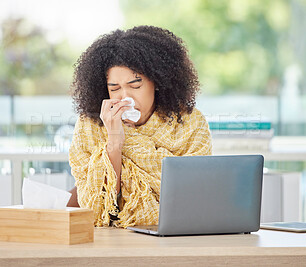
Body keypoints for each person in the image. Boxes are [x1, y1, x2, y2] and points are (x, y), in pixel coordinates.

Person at [68, 25, 212, 227]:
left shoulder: (191, 124)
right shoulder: (89, 127)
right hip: (110, 240)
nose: (125, 97)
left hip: (176, 236)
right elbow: (98, 211)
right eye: (114, 88)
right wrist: (115, 141)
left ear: (158, 81)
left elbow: (196, 194)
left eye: (135, 86)